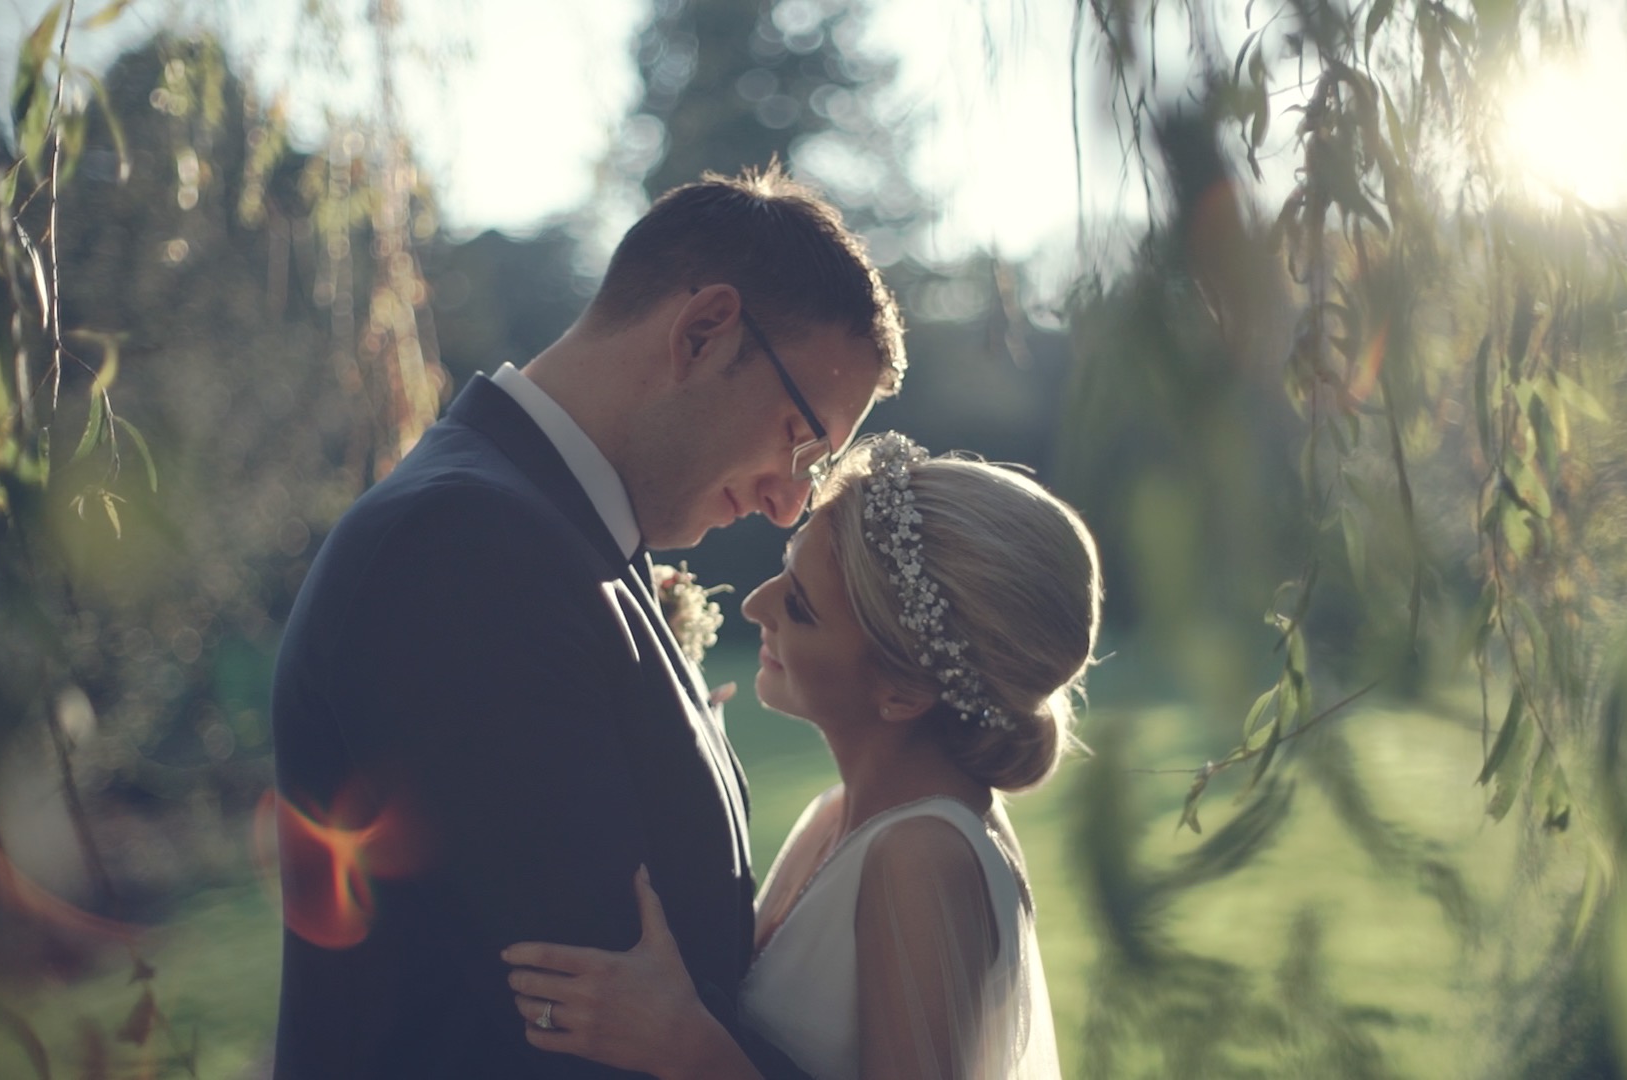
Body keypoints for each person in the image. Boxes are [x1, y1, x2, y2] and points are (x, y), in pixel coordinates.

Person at [269, 164, 905, 1079]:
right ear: (704, 331)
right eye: (803, 441)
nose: (787, 502)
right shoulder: (463, 548)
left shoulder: (557, 539)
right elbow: (580, 1029)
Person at [502, 432, 1102, 1080]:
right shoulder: (839, 815)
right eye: (786, 569)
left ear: (901, 692)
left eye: (800, 607)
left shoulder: (922, 859)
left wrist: (682, 1044)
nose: (757, 605)